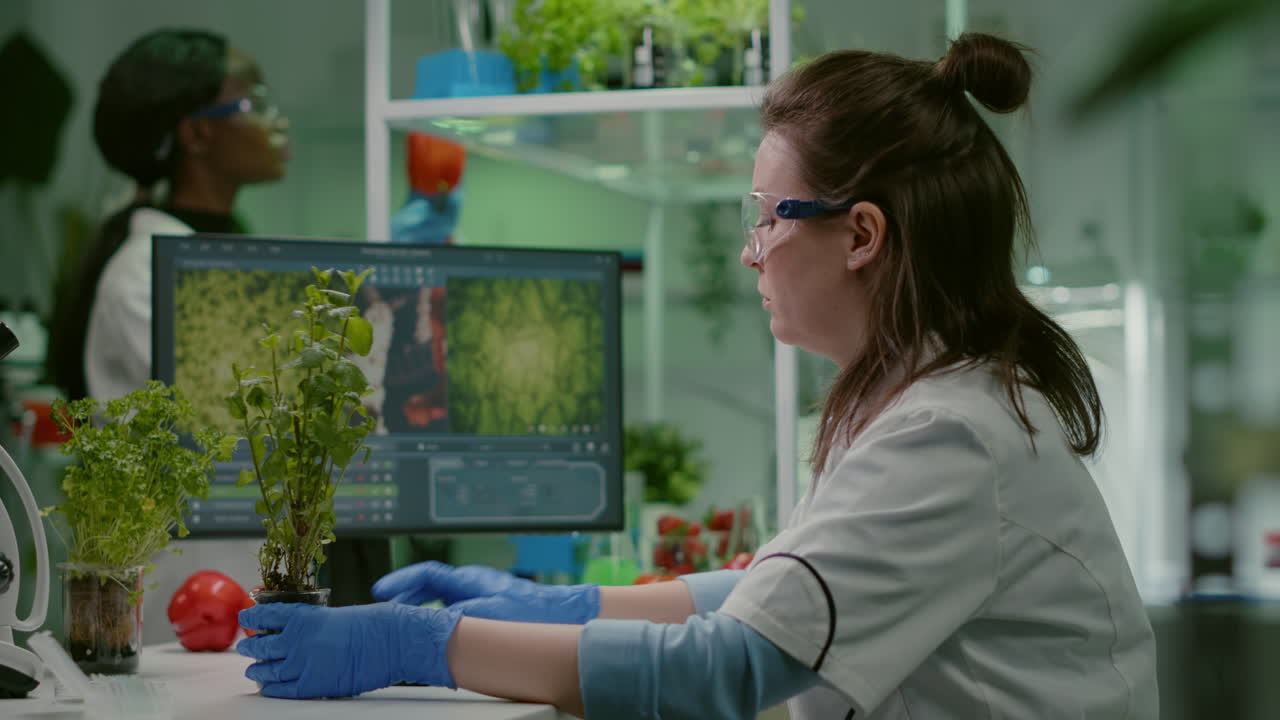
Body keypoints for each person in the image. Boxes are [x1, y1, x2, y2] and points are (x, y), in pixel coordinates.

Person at [237, 33, 1158, 719]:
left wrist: (424, 649)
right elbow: (786, 595)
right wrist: (567, 604)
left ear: (864, 236)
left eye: (768, 216)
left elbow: (731, 666)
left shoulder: (949, 436)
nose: (751, 253)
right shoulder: (929, 402)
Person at [46, 28, 288, 403]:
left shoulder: (221, 249)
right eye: (256, 102)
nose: (278, 121)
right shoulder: (143, 277)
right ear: (197, 134)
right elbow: (226, 415)